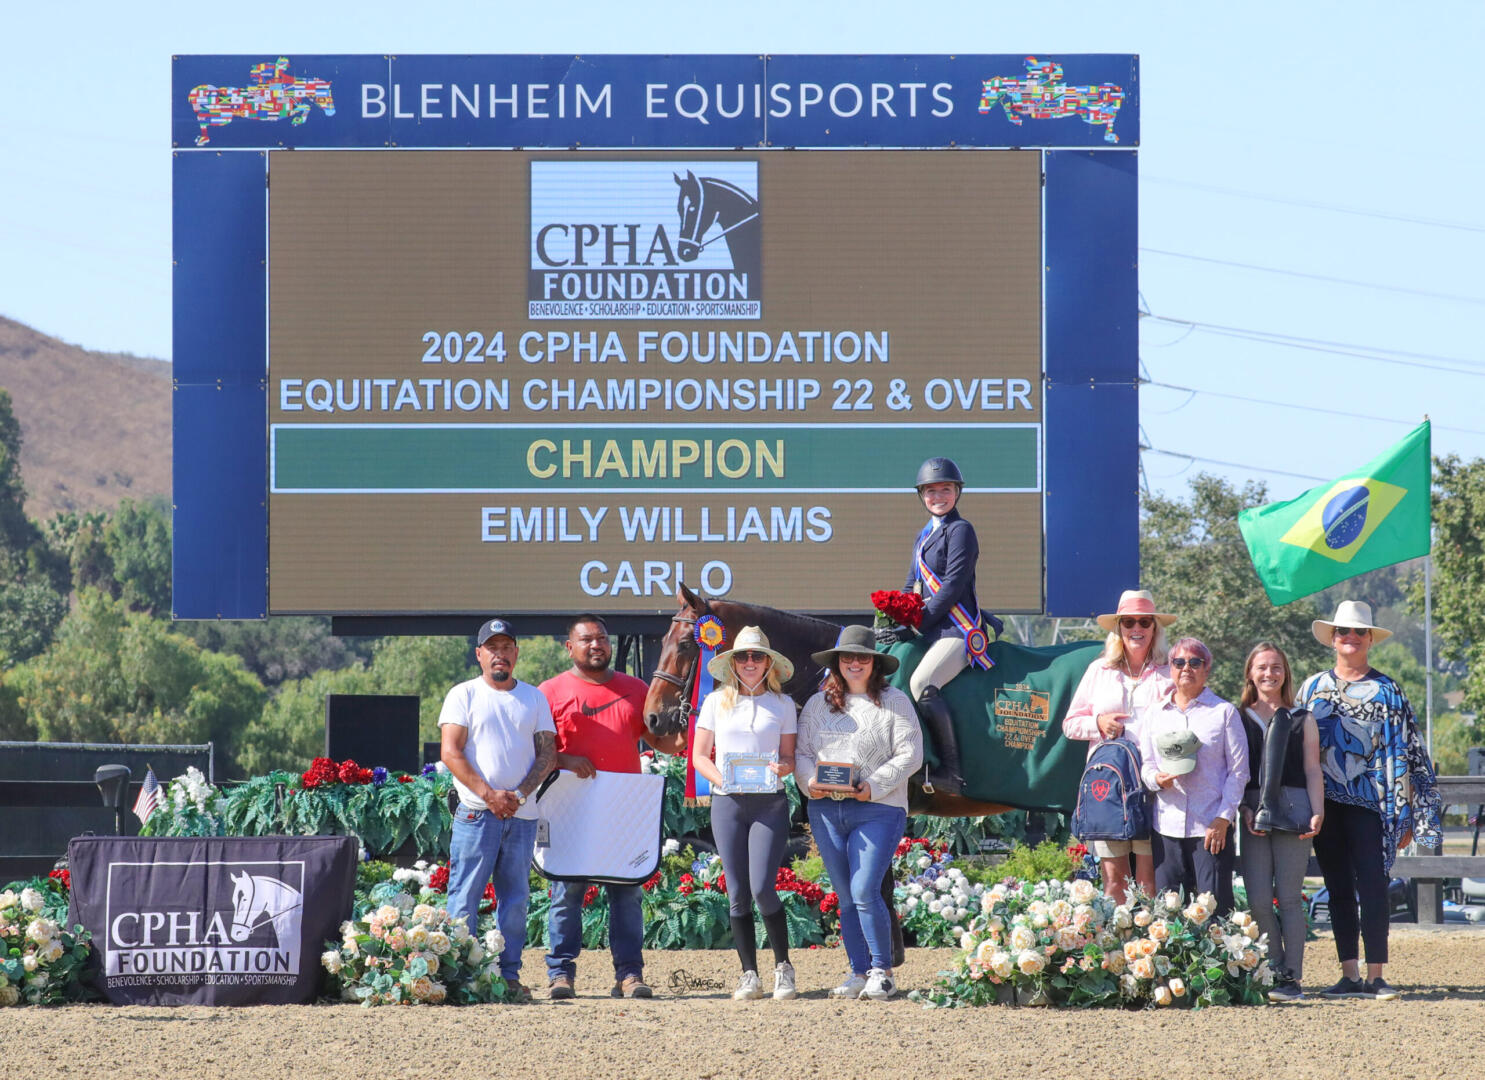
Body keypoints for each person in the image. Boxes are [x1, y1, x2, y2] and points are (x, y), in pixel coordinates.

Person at [1297, 600, 1442, 1002]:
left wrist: (1409, 811)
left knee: (1374, 885)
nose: (1351, 637)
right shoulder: (1311, 688)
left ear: (1370, 639)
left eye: (1359, 632)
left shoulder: (1388, 690)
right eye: (1343, 631)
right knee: (1338, 886)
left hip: (1374, 804)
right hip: (1324, 803)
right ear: (1333, 638)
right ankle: (1348, 974)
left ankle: (1377, 975)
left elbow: (1409, 751)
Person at [539, 614, 688, 1001]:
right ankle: (561, 974)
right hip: (569, 809)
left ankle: (629, 974)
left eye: (601, 638)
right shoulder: (550, 692)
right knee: (567, 892)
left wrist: (688, 734)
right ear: (569, 647)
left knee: (627, 894)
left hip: (621, 810)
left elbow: (660, 742)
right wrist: (565, 760)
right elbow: (537, 751)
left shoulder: (637, 688)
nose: (596, 645)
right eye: (586, 639)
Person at [798, 625, 924, 1001]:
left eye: (862, 658)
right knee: (846, 894)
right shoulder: (817, 704)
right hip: (825, 809)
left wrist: (875, 784)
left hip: (878, 809)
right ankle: (857, 971)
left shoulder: (895, 701)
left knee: (866, 888)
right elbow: (803, 754)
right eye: (847, 657)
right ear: (837, 663)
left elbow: (911, 753)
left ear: (875, 663)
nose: (855, 663)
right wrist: (810, 783)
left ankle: (882, 972)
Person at [440, 618, 557, 1001]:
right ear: (479, 655)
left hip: (521, 816)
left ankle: (508, 976)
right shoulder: (463, 694)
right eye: (492, 648)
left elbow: (548, 753)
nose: (500, 654)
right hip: (476, 812)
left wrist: (519, 795)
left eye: (506, 647)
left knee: (516, 900)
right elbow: (451, 752)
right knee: (464, 896)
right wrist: (490, 795)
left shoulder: (534, 697)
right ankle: (460, 974)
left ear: (516, 653)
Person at [876, 456, 1003, 794]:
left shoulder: (961, 530)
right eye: (931, 491)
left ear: (956, 492)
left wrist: (917, 624)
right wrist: (895, 618)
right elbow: (910, 585)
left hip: (957, 630)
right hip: (930, 628)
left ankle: (952, 770)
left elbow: (951, 587)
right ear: (922, 495)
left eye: (944, 490)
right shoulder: (923, 536)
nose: (937, 497)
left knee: (923, 682)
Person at [690, 625, 799, 1001]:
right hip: (728, 802)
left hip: (769, 802)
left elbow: (788, 756)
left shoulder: (783, 705)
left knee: (762, 888)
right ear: (732, 663)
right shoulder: (715, 702)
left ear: (769, 663)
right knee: (736, 892)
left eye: (756, 656)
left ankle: (783, 968)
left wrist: (784, 768)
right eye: (742, 656)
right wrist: (722, 781)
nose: (749, 662)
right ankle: (748, 973)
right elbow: (699, 756)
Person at [1062, 589, 1174, 903]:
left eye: (1144, 622)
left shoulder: (1169, 671)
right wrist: (1098, 723)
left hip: (1153, 786)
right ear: (1119, 628)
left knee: (1148, 880)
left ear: (1155, 628)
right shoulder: (1099, 671)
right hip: (1108, 787)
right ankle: (1118, 946)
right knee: (1113, 881)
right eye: (1128, 622)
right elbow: (1070, 724)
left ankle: (1149, 947)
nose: (1136, 629)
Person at [1236, 642, 1324, 1003]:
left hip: (1294, 806)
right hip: (1252, 809)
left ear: (1285, 673)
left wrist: (1318, 811)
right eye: (1262, 667)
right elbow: (1233, 770)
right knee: (1257, 900)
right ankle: (1271, 969)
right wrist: (1242, 807)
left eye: (1276, 667)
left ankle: (1292, 977)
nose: (1269, 674)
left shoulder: (1303, 718)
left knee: (1288, 898)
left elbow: (1312, 769)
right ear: (1250, 673)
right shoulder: (1236, 716)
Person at [1139, 636, 1248, 915]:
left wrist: (1224, 818)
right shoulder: (1154, 714)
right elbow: (1146, 764)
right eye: (1179, 662)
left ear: (1206, 669)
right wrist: (1156, 780)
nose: (1186, 667)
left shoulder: (1224, 713)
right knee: (1168, 914)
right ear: (1171, 669)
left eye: (1195, 662)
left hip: (1210, 827)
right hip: (1165, 826)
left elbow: (1239, 771)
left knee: (1214, 913)